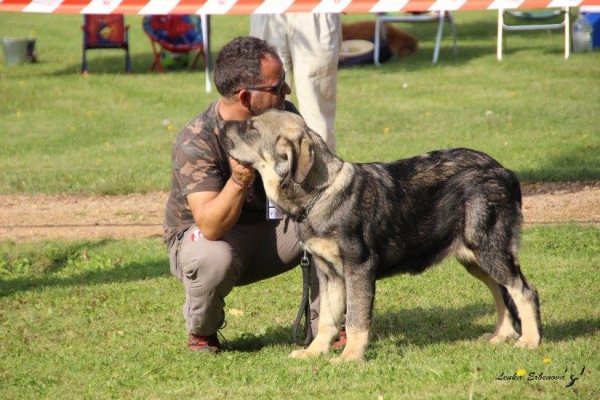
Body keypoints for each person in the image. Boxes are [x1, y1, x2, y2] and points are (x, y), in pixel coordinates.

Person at [163, 36, 305, 352]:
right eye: (277, 85)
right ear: (245, 97)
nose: (287, 91)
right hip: (211, 240)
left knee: (331, 221)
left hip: (270, 231)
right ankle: (203, 334)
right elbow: (211, 227)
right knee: (213, 256)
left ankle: (329, 325)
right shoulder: (196, 140)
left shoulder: (284, 114)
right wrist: (239, 180)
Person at [250, 13, 341, 153]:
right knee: (266, 112)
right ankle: (270, 173)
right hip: (269, 12)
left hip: (314, 12)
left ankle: (324, 172)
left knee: (317, 115)